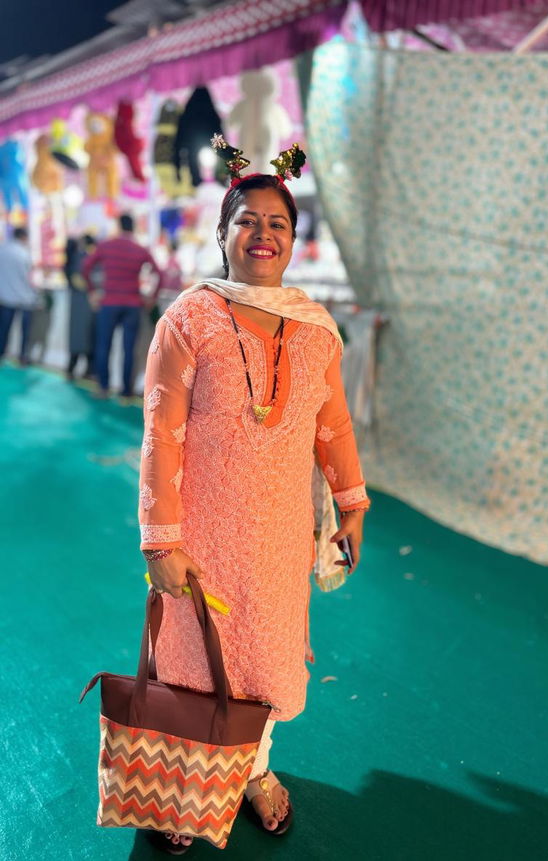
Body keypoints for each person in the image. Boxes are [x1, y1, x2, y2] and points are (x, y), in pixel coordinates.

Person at [138, 142, 369, 854]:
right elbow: (161, 432)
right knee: (196, 663)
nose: (263, 233)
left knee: (263, 663)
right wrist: (161, 540)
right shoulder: (190, 317)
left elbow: (332, 425)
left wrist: (352, 505)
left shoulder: (315, 328)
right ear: (222, 234)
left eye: (278, 223)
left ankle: (253, 770)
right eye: (247, 220)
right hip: (200, 533)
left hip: (278, 538)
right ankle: (187, 786)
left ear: (294, 241)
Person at [82, 213, 161, 398]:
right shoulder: (140, 249)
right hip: (133, 304)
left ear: (118, 226)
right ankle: (126, 391)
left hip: (109, 303)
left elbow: (86, 267)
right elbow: (159, 273)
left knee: (104, 346)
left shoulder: (106, 246)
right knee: (129, 349)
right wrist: (151, 297)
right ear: (133, 227)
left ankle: (103, 387)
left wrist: (93, 291)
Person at [0, 226, 38, 364]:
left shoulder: (2, 250)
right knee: (25, 332)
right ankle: (23, 356)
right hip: (25, 299)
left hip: (5, 298)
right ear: (23, 237)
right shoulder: (24, 254)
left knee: (4, 329)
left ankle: (2, 353)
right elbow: (30, 277)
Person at [64, 234, 97, 380]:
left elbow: (74, 278)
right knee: (88, 336)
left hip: (80, 302)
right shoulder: (90, 258)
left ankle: (73, 368)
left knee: (79, 335)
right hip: (87, 302)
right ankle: (86, 370)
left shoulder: (80, 257)